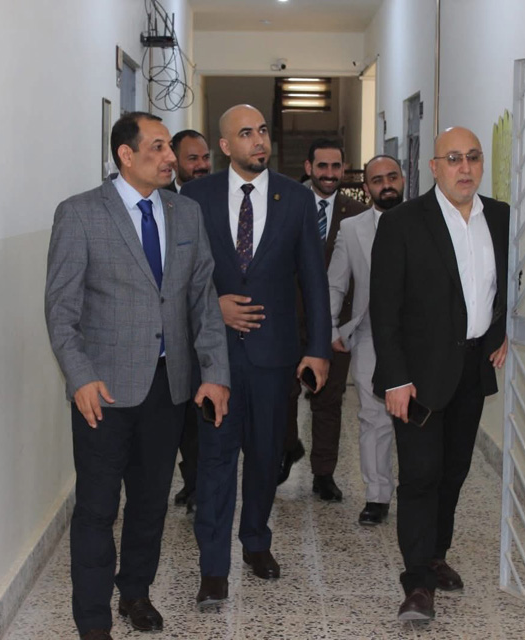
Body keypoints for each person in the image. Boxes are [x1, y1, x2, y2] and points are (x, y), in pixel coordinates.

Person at [45, 111, 231, 640]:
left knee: (150, 505)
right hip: (101, 392)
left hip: (168, 388)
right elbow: (61, 309)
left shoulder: (185, 213)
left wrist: (215, 372)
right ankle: (93, 622)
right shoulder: (80, 214)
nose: (171, 158)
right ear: (126, 155)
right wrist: (79, 376)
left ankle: (135, 593)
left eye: (170, 147)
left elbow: (203, 300)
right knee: (97, 509)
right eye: (158, 147)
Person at [181, 104, 331, 607]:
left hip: (274, 355)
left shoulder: (296, 199)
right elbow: (182, 276)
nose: (259, 140)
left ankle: (255, 540)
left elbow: (313, 280)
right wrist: (214, 307)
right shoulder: (195, 197)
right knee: (215, 459)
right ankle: (213, 567)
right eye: (246, 134)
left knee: (267, 455)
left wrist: (318, 349)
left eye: (263, 131)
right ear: (226, 146)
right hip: (215, 357)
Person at [370, 127, 509, 622]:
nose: (464, 167)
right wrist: (395, 378)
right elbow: (384, 309)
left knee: (453, 472)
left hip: (472, 369)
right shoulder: (404, 223)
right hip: (418, 375)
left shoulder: (501, 218)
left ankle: (434, 554)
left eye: (472, 157)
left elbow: (508, 283)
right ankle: (417, 584)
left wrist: (502, 331)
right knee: (421, 476)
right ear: (434, 167)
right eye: (453, 158)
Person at [279, 138, 367, 503]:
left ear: (343, 169)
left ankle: (323, 474)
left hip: (334, 325)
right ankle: (287, 448)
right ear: (309, 167)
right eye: (322, 166)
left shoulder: (357, 213)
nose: (330, 174)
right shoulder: (285, 204)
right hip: (286, 321)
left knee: (328, 402)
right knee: (282, 396)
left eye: (336, 167)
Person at [326, 154, 405, 525]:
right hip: (371, 333)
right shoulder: (352, 228)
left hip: (421, 339)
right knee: (374, 418)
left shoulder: (426, 220)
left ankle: (417, 491)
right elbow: (336, 282)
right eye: (377, 180)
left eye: (392, 177)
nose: (386, 184)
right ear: (366, 187)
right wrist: (330, 328)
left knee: (419, 421)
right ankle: (377, 495)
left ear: (402, 179)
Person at [166, 129, 213, 511]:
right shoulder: (160, 202)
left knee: (202, 414)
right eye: (192, 159)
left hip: (208, 325)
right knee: (179, 417)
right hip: (169, 332)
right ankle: (191, 479)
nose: (201, 165)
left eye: (205, 157)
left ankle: (200, 484)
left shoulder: (217, 200)